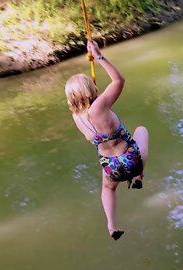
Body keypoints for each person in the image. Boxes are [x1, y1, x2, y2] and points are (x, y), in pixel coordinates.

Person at [64, 41, 149, 241]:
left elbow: (94, 113)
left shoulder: (77, 118)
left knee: (108, 188)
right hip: (131, 159)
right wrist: (99, 56)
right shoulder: (100, 106)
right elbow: (119, 81)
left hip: (111, 166)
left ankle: (111, 225)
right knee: (141, 130)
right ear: (91, 89)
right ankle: (139, 176)